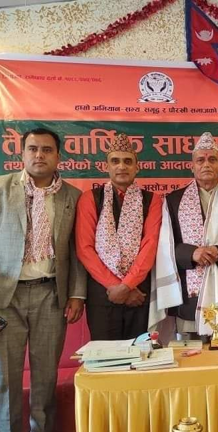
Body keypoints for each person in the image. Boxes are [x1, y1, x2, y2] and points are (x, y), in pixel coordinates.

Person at [0, 127, 86, 432]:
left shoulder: (73, 197)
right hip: (5, 299)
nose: (39, 155)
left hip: (51, 296)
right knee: (6, 379)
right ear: (22, 153)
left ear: (58, 156)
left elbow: (77, 252)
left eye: (47, 150)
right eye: (32, 149)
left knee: (46, 377)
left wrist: (77, 294)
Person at [151, 132, 218, 336]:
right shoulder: (173, 201)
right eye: (200, 160)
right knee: (190, 351)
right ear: (192, 166)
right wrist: (190, 253)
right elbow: (162, 247)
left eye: (212, 159)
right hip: (188, 297)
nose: (206, 164)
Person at [75, 133, 162, 340]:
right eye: (115, 161)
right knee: (104, 354)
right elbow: (84, 248)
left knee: (139, 353)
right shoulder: (90, 199)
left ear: (137, 167)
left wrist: (127, 285)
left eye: (127, 161)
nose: (121, 166)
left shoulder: (152, 200)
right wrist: (116, 287)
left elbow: (150, 246)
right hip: (103, 292)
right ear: (106, 167)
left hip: (138, 293)